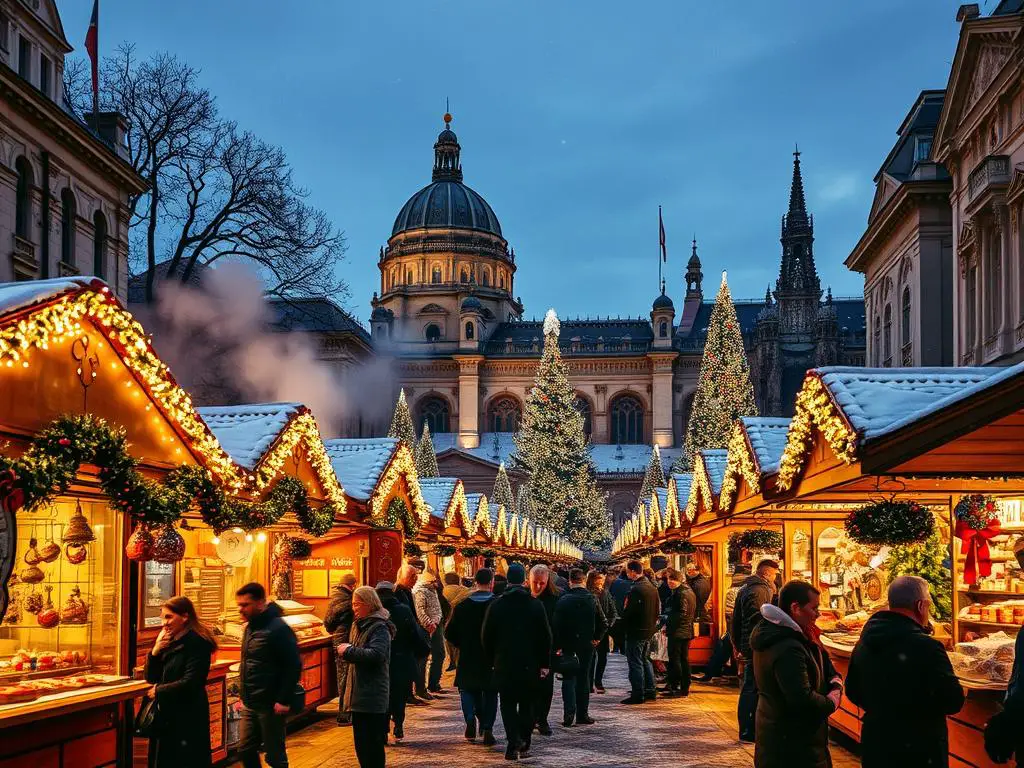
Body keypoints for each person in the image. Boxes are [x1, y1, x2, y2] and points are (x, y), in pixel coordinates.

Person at [846, 575, 965, 768]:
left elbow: (852, 690)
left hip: (877, 743)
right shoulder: (927, 647)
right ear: (920, 606)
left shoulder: (865, 642)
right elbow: (952, 701)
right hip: (919, 749)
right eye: (928, 605)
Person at [750, 580, 843, 768]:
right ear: (795, 608)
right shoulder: (787, 646)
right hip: (791, 744)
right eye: (814, 608)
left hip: (786, 738)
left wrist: (835, 680)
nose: (818, 614)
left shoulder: (799, 635)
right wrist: (832, 701)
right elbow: (801, 698)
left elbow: (824, 663)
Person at [482, 563, 552, 761]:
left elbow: (486, 636)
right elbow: (545, 637)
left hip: (504, 663)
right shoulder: (535, 604)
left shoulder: (496, 605)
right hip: (530, 665)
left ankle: (513, 742)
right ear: (524, 581)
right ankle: (525, 741)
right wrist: (544, 663)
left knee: (508, 704)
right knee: (528, 704)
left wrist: (492, 659)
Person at [144, 596, 216, 768]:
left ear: (185, 617)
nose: (164, 623)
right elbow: (151, 677)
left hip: (188, 717)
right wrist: (155, 651)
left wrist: (159, 691)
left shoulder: (198, 642)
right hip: (167, 715)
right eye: (163, 617)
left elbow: (192, 681)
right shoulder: (168, 641)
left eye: (169, 617)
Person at [235, 582, 302, 768]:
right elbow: (247, 663)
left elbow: (293, 665)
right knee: (245, 749)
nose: (241, 609)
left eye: (245, 605)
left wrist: (283, 699)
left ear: (260, 603)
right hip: (250, 701)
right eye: (239, 605)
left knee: (274, 755)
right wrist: (243, 695)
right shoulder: (250, 628)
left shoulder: (278, 628)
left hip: (270, 703)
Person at [338, 586, 394, 768]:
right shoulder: (359, 624)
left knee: (371, 746)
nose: (354, 608)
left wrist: (349, 651)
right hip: (359, 695)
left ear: (369, 604)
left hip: (372, 695)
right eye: (353, 604)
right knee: (362, 746)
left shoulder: (379, 627)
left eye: (357, 604)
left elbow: (377, 655)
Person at [445, 568, 498, 746]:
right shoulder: (496, 605)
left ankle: (469, 717)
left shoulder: (462, 606)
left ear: (475, 582)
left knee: (467, 688)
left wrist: (461, 644)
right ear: (491, 583)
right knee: (490, 692)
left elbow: (449, 632)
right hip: (491, 656)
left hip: (467, 655)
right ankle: (488, 727)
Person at [732, 559, 780, 742]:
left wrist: (738, 643)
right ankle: (748, 729)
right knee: (751, 687)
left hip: (749, 644)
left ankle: (749, 728)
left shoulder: (748, 587)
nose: (776, 578)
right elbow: (757, 618)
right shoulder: (759, 590)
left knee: (750, 686)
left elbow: (735, 620)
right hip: (755, 645)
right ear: (767, 574)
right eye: (775, 574)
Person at [553, 567, 606, 727]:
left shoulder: (563, 599)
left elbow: (556, 625)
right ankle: (583, 714)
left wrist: (558, 645)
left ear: (570, 581)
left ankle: (569, 712)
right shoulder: (592, 598)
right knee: (584, 678)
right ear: (583, 581)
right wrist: (597, 638)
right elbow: (603, 622)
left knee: (568, 678)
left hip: (568, 645)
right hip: (586, 644)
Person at [375, 581, 426, 742]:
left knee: (382, 696)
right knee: (399, 695)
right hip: (402, 659)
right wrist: (421, 651)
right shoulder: (403, 610)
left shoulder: (375, 611)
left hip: (380, 662)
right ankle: (398, 724)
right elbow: (414, 634)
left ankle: (382, 730)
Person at [620, 559, 660, 704]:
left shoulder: (636, 589)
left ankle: (638, 693)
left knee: (635, 662)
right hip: (648, 630)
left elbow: (629, 611)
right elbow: (657, 609)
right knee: (645, 660)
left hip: (636, 630)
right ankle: (650, 690)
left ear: (632, 571)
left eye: (627, 571)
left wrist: (623, 621)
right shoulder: (651, 587)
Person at [699, 567, 748, 682]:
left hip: (736, 626)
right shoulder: (740, 591)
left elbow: (728, 611)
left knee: (723, 647)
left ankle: (711, 673)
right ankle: (712, 672)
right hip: (738, 626)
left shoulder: (733, 591)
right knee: (724, 647)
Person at [529, 563, 561, 735]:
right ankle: (531, 717)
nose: (539, 586)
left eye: (542, 583)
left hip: (548, 650)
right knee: (529, 686)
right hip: (526, 650)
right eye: (536, 582)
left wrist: (560, 645)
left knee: (546, 686)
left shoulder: (555, 598)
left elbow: (561, 625)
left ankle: (542, 719)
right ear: (529, 580)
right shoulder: (524, 597)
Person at [324, 572, 358, 726]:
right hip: (345, 640)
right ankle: (344, 714)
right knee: (345, 677)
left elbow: (328, 622)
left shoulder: (335, 598)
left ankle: (345, 711)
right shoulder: (347, 600)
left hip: (338, 639)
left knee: (343, 676)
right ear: (352, 585)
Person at [661, 568, 696, 697]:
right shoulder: (687, 591)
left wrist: (668, 621)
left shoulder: (681, 593)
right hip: (685, 630)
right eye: (669, 579)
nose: (670, 582)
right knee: (683, 659)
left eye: (673, 579)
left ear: (679, 580)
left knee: (676, 659)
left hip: (679, 630)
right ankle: (683, 686)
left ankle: (677, 686)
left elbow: (682, 613)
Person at [412, 570, 445, 698]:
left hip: (434, 625)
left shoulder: (432, 590)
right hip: (426, 628)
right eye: (434, 581)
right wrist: (429, 624)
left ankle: (432, 683)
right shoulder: (421, 591)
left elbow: (435, 608)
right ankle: (421, 688)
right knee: (423, 658)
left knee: (438, 654)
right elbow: (420, 610)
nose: (436, 583)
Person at [587, 570, 617, 693]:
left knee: (602, 658)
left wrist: (608, 625)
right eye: (598, 581)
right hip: (590, 631)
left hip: (603, 632)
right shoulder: (587, 594)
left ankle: (598, 681)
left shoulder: (605, 593)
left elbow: (613, 612)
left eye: (602, 581)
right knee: (590, 658)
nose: (600, 584)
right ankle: (589, 683)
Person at [443, 572, 470, 671]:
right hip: (463, 620)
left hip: (448, 620)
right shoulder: (466, 591)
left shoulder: (443, 591)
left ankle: (452, 661)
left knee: (449, 642)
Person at [608, 567, 631, 654]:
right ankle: (623, 650)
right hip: (627, 613)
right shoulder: (632, 584)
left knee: (617, 632)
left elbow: (610, 596)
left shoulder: (615, 582)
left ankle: (616, 648)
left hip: (616, 612)